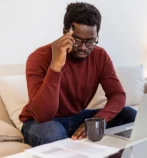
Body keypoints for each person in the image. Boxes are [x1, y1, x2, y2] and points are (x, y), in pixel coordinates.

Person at [19, 2, 137, 147]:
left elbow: (117, 95)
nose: (83, 48)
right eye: (77, 40)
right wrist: (56, 66)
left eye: (90, 41)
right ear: (65, 32)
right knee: (52, 132)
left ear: (96, 36)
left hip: (75, 118)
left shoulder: (100, 56)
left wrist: (99, 119)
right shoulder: (39, 57)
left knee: (130, 114)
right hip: (39, 122)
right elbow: (43, 115)